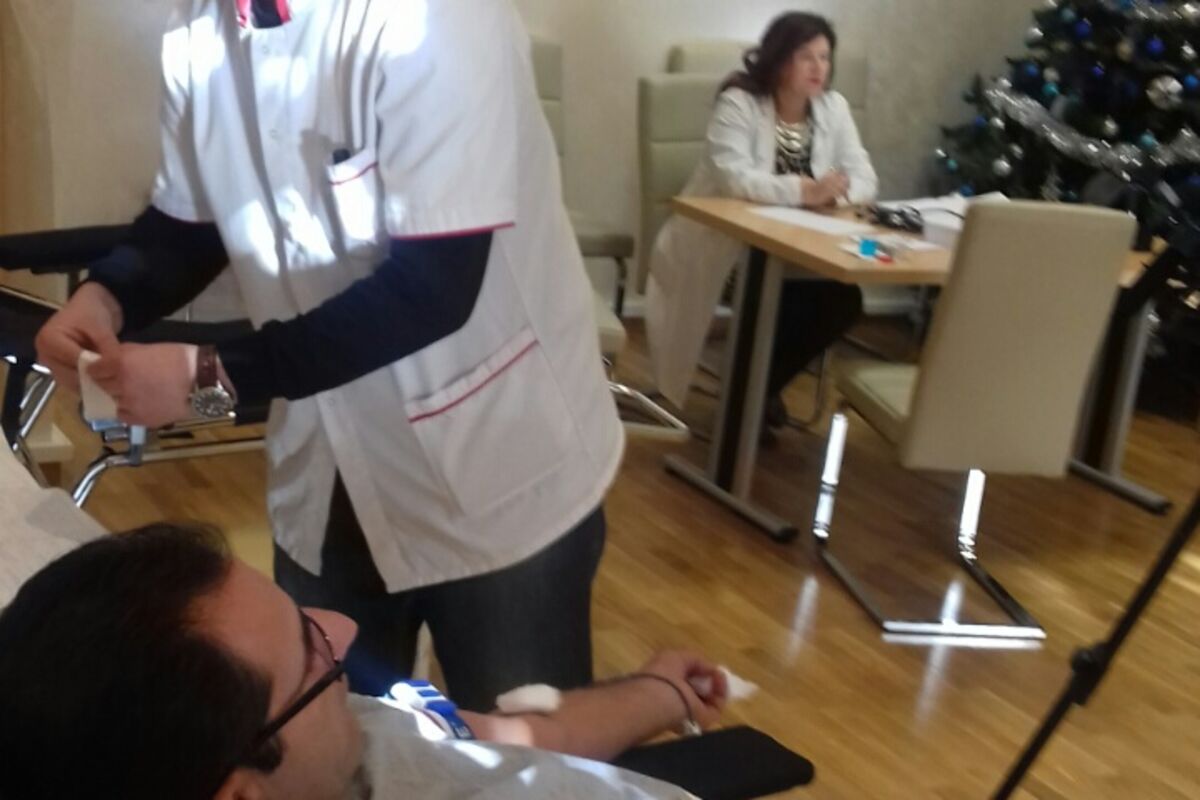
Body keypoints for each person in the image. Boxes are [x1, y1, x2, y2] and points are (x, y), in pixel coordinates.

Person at [33, 0, 624, 710]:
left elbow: (432, 291)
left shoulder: (438, 19)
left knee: (522, 748)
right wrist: (104, 298)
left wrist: (203, 383)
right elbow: (191, 221)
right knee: (333, 737)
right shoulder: (200, 27)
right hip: (326, 473)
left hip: (495, 472)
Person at [0, 524, 727, 800]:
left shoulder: (333, 739)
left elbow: (500, 738)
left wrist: (658, 692)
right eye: (312, 652)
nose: (345, 630)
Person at [646, 12, 879, 428]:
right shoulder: (740, 102)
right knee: (766, 291)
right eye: (806, 56)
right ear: (780, 58)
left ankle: (753, 394)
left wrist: (837, 192)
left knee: (843, 299)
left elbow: (864, 177)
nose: (818, 68)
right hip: (731, 247)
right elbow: (734, 177)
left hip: (802, 248)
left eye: (825, 57)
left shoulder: (834, 108)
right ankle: (744, 410)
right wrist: (804, 191)